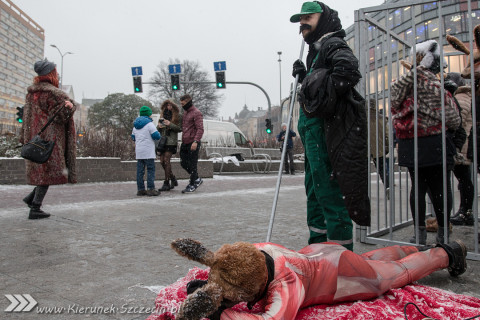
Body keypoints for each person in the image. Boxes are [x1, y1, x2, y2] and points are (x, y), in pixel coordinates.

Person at [170, 238, 467, 320]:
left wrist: (222, 312)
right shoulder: (255, 251)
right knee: (372, 261)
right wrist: (216, 289)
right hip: (322, 254)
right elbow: (232, 265)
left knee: (395, 275)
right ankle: (414, 246)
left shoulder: (286, 285)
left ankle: (446, 253)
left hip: (343, 277)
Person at [290, 1, 370, 251]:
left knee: (329, 193)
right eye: (300, 19)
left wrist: (324, 99)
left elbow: (348, 71)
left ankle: (340, 256)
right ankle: (318, 248)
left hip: (324, 131)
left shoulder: (331, 42)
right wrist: (305, 78)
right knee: (314, 193)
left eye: (308, 17)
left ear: (323, 18)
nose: (302, 23)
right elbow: (318, 86)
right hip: (312, 133)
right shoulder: (316, 50)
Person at [391, 40, 461, 245]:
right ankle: (442, 234)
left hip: (410, 144)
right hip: (433, 143)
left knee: (418, 188)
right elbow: (453, 117)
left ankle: (419, 234)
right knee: (440, 188)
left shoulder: (402, 83)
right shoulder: (429, 83)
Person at [20, 59, 77, 220]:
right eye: (55, 72)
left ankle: (31, 199)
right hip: (51, 140)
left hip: (34, 138)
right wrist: (70, 107)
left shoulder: (31, 93)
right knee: (48, 173)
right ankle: (35, 207)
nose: (57, 74)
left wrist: (23, 137)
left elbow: (26, 118)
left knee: (42, 171)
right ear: (50, 74)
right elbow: (59, 117)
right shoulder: (54, 93)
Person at [445, 73, 474, 226]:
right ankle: (465, 211)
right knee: (464, 180)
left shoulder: (461, 97)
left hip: (461, 145)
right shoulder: (466, 95)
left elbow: (457, 121)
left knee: (464, 180)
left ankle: (465, 212)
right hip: (464, 143)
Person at [132, 106, 161, 197]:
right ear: (149, 114)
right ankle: (150, 189)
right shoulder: (149, 124)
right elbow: (156, 136)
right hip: (148, 151)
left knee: (140, 171)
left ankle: (140, 189)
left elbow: (133, 137)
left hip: (139, 151)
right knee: (150, 170)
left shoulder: (135, 125)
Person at [179, 94, 204, 193]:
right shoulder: (185, 113)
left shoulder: (196, 113)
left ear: (189, 102)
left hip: (193, 142)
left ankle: (192, 183)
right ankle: (197, 178)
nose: (182, 105)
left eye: (183, 103)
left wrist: (195, 141)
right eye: (181, 103)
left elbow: (200, 129)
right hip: (185, 141)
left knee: (193, 164)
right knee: (183, 162)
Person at [157, 100, 182, 191]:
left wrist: (170, 124)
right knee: (161, 161)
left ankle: (166, 182)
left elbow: (179, 129)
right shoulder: (162, 116)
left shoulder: (178, 116)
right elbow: (158, 129)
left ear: (174, 106)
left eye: (170, 105)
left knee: (166, 160)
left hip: (171, 141)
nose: (169, 107)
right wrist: (159, 126)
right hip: (163, 141)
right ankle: (173, 178)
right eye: (167, 105)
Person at [369, 100, 390, 192]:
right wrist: (387, 146)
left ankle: (364, 191)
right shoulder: (382, 118)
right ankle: (387, 186)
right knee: (382, 170)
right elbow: (387, 135)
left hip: (366, 148)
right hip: (379, 147)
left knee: (363, 171)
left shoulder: (363, 117)